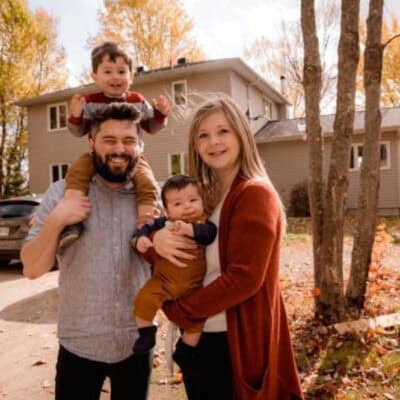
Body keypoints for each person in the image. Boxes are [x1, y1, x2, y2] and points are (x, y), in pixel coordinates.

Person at [151, 97, 304, 399]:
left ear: (241, 135)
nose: (214, 142)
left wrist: (179, 311)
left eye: (223, 131)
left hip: (232, 345)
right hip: (203, 340)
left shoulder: (254, 193)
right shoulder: (205, 198)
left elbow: (244, 278)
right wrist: (156, 238)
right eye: (203, 135)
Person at [21, 103, 153, 400]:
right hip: (79, 346)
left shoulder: (151, 200)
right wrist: (58, 219)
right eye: (109, 140)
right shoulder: (62, 193)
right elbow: (31, 268)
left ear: (140, 145)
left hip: (136, 345)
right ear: (91, 142)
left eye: (129, 141)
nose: (120, 149)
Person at [60, 41, 169, 249]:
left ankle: (145, 226)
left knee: (147, 183)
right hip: (97, 156)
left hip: (133, 158)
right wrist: (75, 116)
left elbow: (151, 127)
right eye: (108, 71)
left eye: (121, 71)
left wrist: (161, 114)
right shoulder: (90, 102)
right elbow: (78, 131)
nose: (115, 77)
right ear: (95, 76)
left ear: (131, 76)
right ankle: (72, 221)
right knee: (77, 173)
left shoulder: (137, 100)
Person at [131, 174, 217, 355]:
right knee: (143, 300)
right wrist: (142, 239)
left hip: (193, 287)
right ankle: (146, 332)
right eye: (177, 204)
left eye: (193, 200)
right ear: (167, 211)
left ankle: (185, 350)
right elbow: (146, 227)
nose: (187, 206)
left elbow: (210, 234)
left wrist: (191, 229)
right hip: (163, 281)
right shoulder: (165, 223)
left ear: (202, 201)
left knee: (196, 323)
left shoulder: (203, 223)